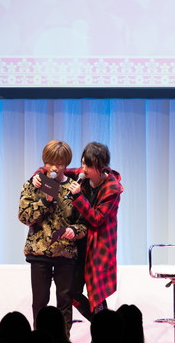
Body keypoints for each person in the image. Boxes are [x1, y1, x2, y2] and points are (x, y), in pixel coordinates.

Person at [34, 141, 123, 320]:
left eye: (89, 165)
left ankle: (106, 329)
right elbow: (59, 169)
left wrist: (78, 196)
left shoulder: (112, 188)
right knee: (72, 291)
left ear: (101, 167)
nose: (84, 169)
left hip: (99, 246)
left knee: (96, 294)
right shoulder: (82, 175)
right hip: (80, 242)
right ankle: (102, 325)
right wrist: (39, 174)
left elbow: (97, 219)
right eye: (83, 163)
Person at [18, 140, 87, 332]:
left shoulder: (74, 188)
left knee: (65, 302)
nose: (54, 168)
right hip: (39, 253)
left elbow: (84, 223)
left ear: (66, 164)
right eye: (49, 163)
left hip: (66, 253)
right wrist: (45, 201)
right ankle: (39, 342)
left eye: (59, 163)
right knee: (40, 302)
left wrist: (75, 231)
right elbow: (24, 217)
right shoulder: (34, 184)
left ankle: (63, 342)